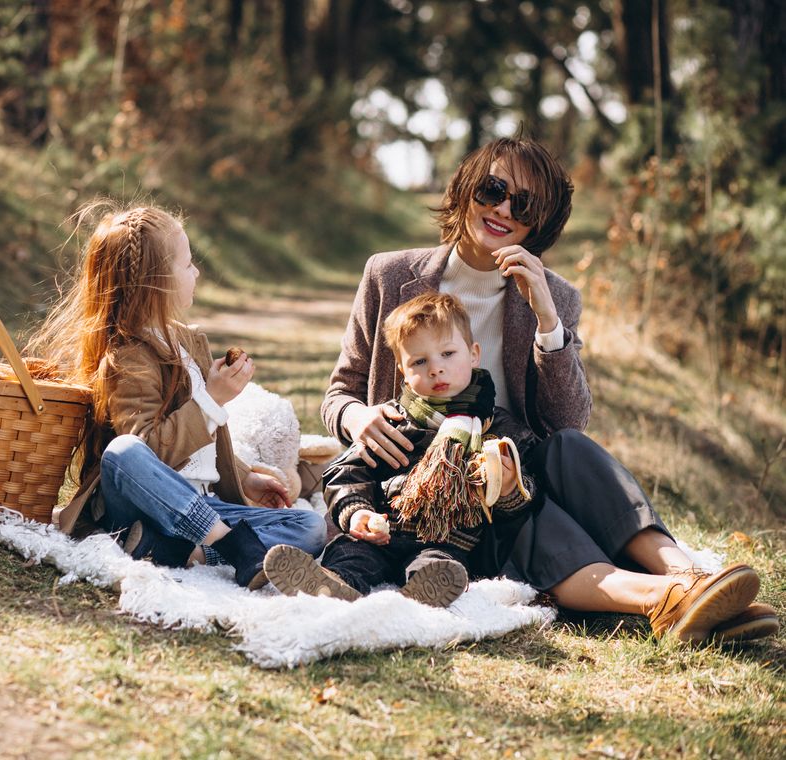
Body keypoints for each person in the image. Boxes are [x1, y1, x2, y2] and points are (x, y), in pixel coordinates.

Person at [320, 136, 778, 644]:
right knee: (529, 518)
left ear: (541, 222)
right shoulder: (389, 275)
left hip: (522, 466)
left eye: (525, 204)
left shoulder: (556, 295)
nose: (503, 210)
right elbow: (340, 391)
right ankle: (669, 600)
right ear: (467, 187)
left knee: (571, 447)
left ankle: (685, 577)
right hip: (427, 491)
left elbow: (566, 421)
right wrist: (357, 418)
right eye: (493, 189)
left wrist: (547, 321)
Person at [28, 203, 326, 588]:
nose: (196, 272)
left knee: (310, 527)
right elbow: (152, 450)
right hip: (141, 504)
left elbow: (201, 451)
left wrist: (246, 477)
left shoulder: (187, 345)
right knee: (124, 452)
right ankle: (234, 549)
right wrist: (212, 400)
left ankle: (173, 550)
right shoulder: (127, 357)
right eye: (187, 265)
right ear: (155, 281)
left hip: (200, 507)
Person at [266, 293, 539, 607]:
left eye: (448, 353)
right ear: (403, 370)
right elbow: (347, 472)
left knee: (439, 563)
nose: (436, 369)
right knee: (351, 552)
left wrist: (507, 488)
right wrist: (356, 512)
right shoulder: (392, 420)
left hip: (448, 538)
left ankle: (425, 591)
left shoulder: (498, 429)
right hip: (382, 528)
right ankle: (334, 584)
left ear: (474, 354)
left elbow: (527, 495)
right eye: (420, 361)